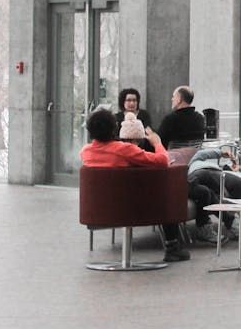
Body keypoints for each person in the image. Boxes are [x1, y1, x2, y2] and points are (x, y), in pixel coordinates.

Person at [79, 108, 190, 263]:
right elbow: (163, 161)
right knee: (165, 193)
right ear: (114, 128)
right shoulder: (124, 150)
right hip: (132, 208)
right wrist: (157, 143)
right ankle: (172, 247)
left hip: (98, 210)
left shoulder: (85, 152)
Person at [184, 146, 241, 244]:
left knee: (238, 183)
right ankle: (239, 227)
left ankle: (238, 225)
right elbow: (201, 154)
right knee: (210, 181)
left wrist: (233, 169)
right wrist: (221, 152)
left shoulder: (220, 170)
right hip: (197, 175)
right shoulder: (194, 163)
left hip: (218, 175)